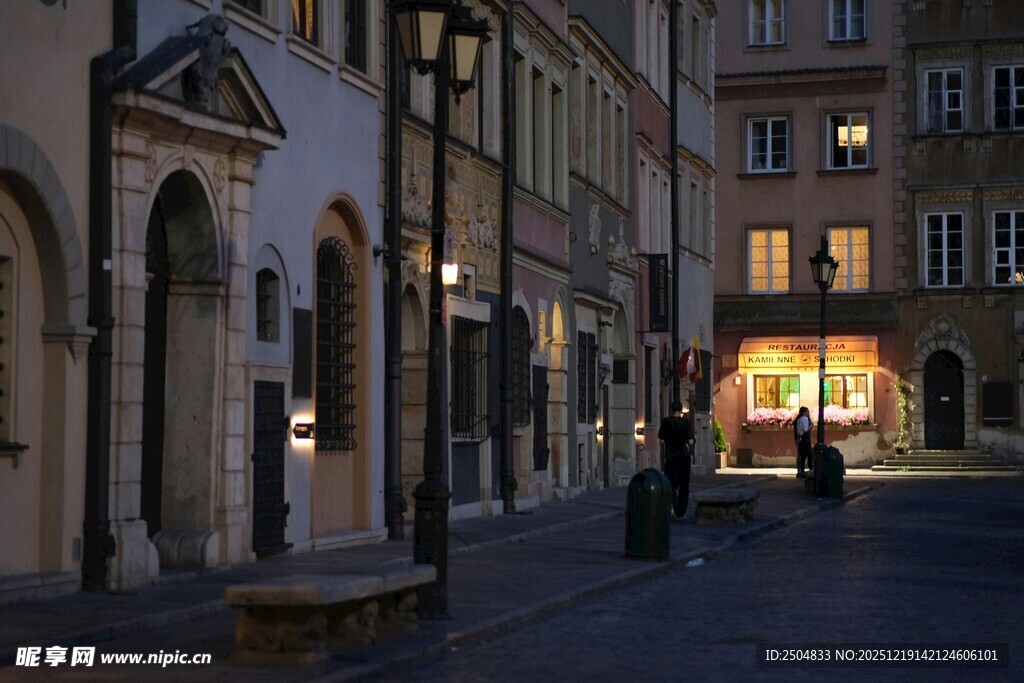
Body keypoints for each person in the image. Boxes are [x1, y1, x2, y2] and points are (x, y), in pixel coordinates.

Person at [659, 401, 694, 519]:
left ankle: (673, 506)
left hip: (671, 456)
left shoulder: (666, 422)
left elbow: (662, 440)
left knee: (669, 484)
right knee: (684, 485)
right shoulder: (686, 422)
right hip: (683, 456)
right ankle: (681, 512)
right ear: (681, 410)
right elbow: (690, 441)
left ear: (671, 409)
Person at [794, 406, 813, 478]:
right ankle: (809, 469)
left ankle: (800, 471)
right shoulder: (804, 419)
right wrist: (811, 426)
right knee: (807, 454)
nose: (809, 413)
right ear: (804, 412)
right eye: (808, 412)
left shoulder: (798, 419)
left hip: (799, 438)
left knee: (801, 455)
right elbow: (805, 430)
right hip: (804, 439)